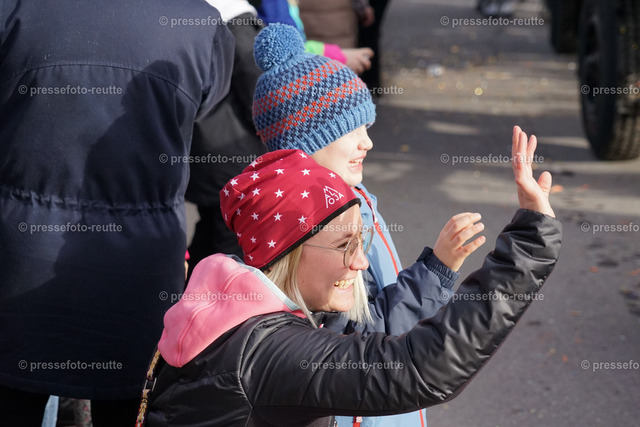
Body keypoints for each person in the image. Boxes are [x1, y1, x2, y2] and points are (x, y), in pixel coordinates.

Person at [140, 124, 561, 425]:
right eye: (344, 244)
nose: (360, 263)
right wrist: (531, 241)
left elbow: (374, 336)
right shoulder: (271, 353)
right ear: (287, 251)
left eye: (361, 242)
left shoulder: (225, 314)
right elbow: (420, 368)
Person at [0, 0, 233, 425]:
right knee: (130, 405)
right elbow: (203, 104)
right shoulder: (199, 23)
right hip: (139, 267)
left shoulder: (15, 9)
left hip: (20, 256)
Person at [251, 23, 485, 426]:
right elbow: (365, 337)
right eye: (352, 130)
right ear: (306, 142)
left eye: (367, 127)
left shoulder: (350, 200)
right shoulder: (322, 229)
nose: (368, 142)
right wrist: (438, 268)